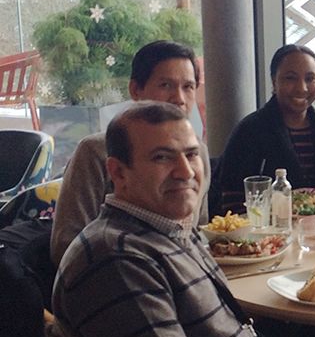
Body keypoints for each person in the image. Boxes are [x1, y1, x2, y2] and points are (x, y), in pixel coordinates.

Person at [51, 101, 315, 337]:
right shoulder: (115, 258)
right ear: (119, 172)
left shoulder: (169, 230)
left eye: (191, 154)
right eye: (162, 157)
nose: (185, 171)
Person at [51, 40, 211, 267]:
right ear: (136, 90)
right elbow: (66, 245)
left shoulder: (198, 154)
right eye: (166, 85)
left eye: (188, 87)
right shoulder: (96, 152)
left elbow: (198, 232)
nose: (179, 98)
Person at [215, 44, 315, 215]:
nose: (302, 88)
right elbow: (232, 199)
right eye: (290, 78)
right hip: (267, 234)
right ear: (274, 82)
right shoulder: (250, 130)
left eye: (310, 78)